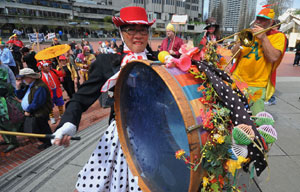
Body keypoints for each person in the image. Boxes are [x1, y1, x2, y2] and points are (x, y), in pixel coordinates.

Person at [52, 6, 157, 192]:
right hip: (120, 138)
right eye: (130, 29)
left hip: (156, 139)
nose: (137, 35)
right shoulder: (107, 62)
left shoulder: (160, 61)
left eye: (142, 29)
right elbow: (80, 99)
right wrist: (68, 123)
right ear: (121, 32)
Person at [229, 8, 287, 115]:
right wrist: (240, 42)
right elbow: (233, 53)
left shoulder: (278, 36)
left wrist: (263, 38)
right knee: (231, 114)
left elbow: (273, 57)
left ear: (271, 22)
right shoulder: (248, 33)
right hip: (237, 80)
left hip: (257, 85)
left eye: (263, 19)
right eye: (258, 19)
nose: (259, 21)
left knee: (256, 119)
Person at [15, 68, 52, 149]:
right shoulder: (30, 85)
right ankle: (46, 142)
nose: (22, 80)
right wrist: (18, 87)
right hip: (34, 113)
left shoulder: (40, 86)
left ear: (30, 77)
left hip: (40, 113)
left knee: (43, 128)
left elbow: (37, 103)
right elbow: (20, 95)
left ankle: (48, 142)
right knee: (39, 128)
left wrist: (28, 110)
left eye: (23, 78)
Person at [0, 60, 23, 153]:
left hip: (4, 100)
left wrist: (12, 92)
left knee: (7, 121)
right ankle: (7, 140)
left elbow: (11, 81)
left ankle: (13, 141)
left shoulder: (4, 68)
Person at [39, 60, 65, 124]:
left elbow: (62, 74)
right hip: (48, 93)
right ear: (42, 68)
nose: (48, 67)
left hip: (56, 90)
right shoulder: (40, 76)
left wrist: (61, 68)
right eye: (46, 66)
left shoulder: (53, 71)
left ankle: (62, 114)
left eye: (48, 66)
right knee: (50, 106)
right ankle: (52, 117)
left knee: (60, 103)